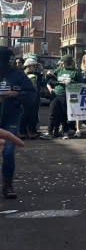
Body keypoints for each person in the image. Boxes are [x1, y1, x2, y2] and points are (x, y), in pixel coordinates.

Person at [0, 47, 36, 199]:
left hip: (10, 118)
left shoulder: (18, 75)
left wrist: (17, 94)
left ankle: (7, 184)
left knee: (8, 151)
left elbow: (32, 94)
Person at [47, 55, 81, 138]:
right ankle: (49, 132)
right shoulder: (59, 70)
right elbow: (51, 80)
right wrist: (49, 75)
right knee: (53, 113)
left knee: (64, 114)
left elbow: (80, 84)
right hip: (56, 94)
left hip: (68, 95)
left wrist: (71, 82)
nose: (61, 63)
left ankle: (65, 132)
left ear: (68, 62)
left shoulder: (76, 72)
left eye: (63, 62)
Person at [20, 58, 40, 139]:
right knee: (24, 115)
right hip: (25, 98)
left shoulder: (36, 75)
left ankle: (31, 131)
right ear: (28, 66)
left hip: (33, 98)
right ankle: (22, 132)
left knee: (33, 116)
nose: (35, 68)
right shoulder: (21, 75)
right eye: (34, 66)